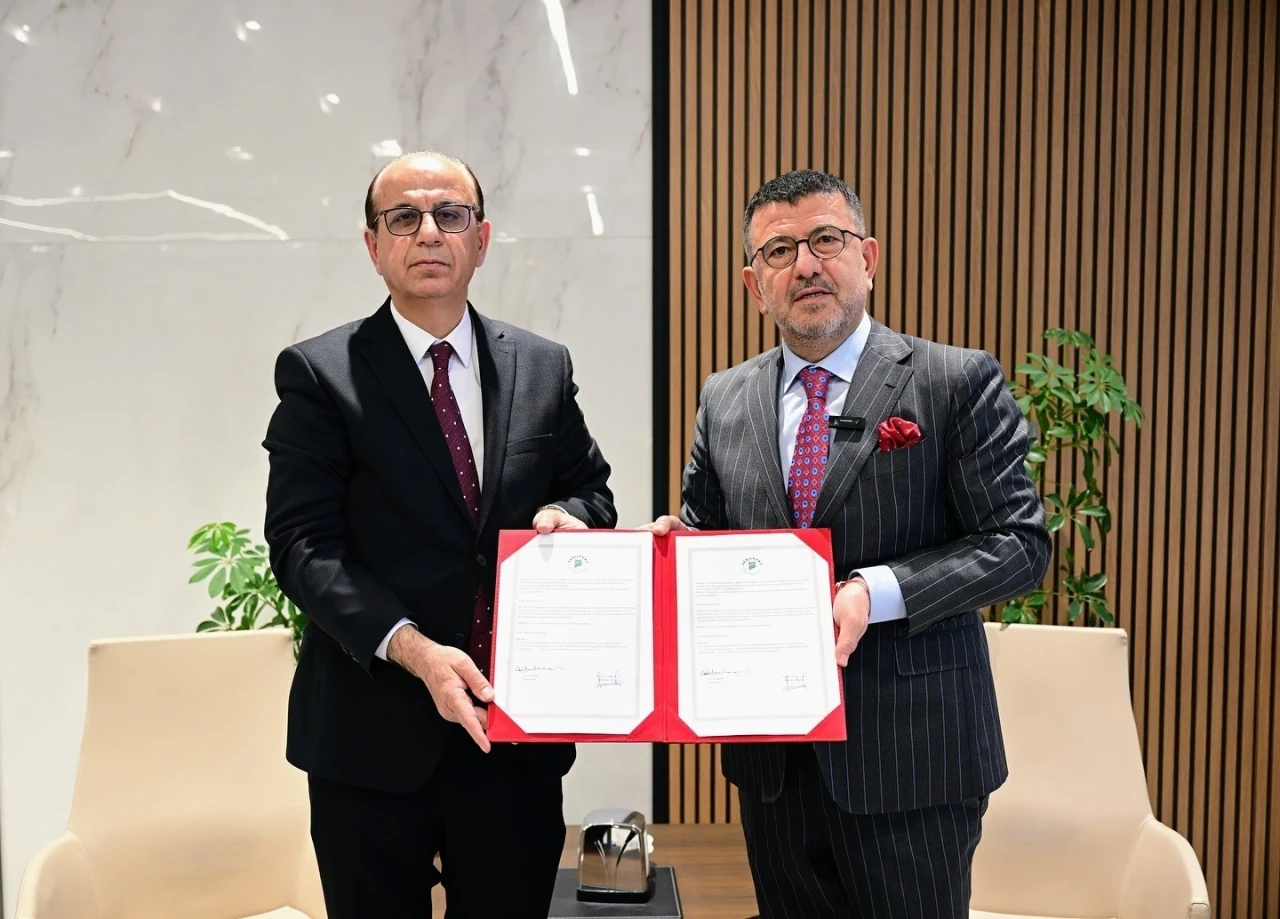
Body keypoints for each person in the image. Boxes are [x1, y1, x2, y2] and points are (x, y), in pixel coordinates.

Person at [647, 169, 1050, 917]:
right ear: (754, 285)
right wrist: (673, 548)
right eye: (778, 251)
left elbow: (1019, 543)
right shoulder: (723, 397)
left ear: (868, 257)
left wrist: (875, 590)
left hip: (914, 762)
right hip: (774, 765)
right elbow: (707, 531)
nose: (805, 264)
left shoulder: (953, 380)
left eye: (825, 240)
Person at [262, 150, 616, 918]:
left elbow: (591, 490)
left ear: (480, 239)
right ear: (373, 244)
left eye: (449, 215)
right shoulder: (320, 373)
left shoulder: (542, 366)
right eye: (404, 217)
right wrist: (415, 649)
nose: (428, 232)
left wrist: (571, 517)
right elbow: (301, 545)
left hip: (511, 737)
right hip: (370, 739)